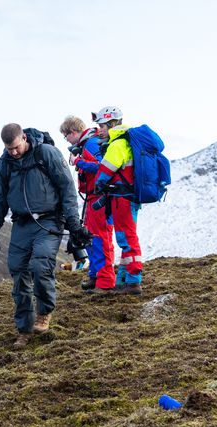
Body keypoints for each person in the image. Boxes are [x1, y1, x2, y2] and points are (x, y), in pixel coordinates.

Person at [0, 123, 92, 350]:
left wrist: (74, 223)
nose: (13, 152)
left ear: (23, 138)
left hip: (49, 221)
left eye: (16, 147)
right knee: (18, 272)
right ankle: (24, 329)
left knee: (40, 265)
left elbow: (67, 188)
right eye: (9, 149)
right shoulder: (3, 165)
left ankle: (44, 312)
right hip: (21, 224)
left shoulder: (46, 154)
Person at [60, 116, 116, 293]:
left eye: (66, 136)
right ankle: (95, 275)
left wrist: (78, 161)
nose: (66, 140)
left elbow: (102, 166)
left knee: (100, 237)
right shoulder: (89, 143)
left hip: (99, 198)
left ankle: (105, 281)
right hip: (93, 198)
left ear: (73, 132)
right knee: (91, 237)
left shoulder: (91, 144)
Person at [92, 106, 143, 295]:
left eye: (103, 126)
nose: (100, 130)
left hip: (122, 198)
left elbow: (106, 170)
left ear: (113, 124)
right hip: (126, 197)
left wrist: (99, 184)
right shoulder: (125, 141)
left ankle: (133, 281)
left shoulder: (117, 144)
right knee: (125, 237)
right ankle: (124, 280)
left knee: (127, 237)